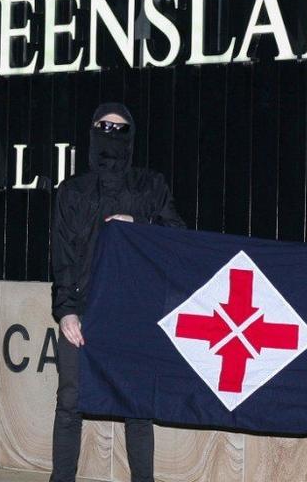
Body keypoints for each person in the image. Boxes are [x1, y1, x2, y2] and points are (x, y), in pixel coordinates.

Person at [49, 102, 184, 482]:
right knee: (70, 403)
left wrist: (137, 225)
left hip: (136, 315)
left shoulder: (150, 185)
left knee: (137, 410)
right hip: (85, 313)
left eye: (119, 129)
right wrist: (67, 311)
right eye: (103, 127)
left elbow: (177, 238)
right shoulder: (73, 191)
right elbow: (62, 255)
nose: (110, 135)